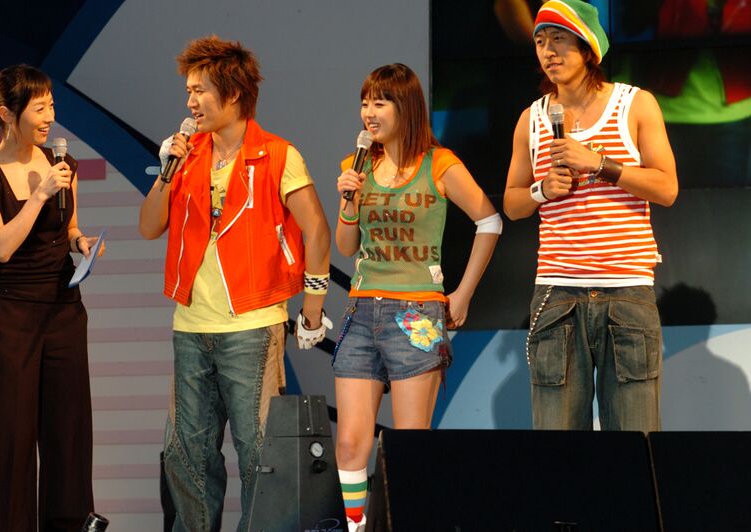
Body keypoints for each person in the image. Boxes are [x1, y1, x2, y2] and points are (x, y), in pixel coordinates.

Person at [138, 35, 331, 531]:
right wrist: (166, 172)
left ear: (234, 93)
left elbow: (315, 228)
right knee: (185, 454)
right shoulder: (186, 156)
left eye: (200, 90)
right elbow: (149, 226)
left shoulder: (277, 154)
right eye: (188, 91)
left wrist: (313, 306)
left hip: (251, 325)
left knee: (258, 455)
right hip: (190, 326)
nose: (190, 102)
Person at [334, 63, 501, 531]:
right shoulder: (356, 165)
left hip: (417, 315)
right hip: (361, 311)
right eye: (364, 103)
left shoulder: (438, 164)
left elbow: (489, 221)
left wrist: (462, 294)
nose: (369, 112)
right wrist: (348, 201)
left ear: (405, 107)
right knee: (349, 443)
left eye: (380, 102)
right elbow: (346, 247)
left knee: (409, 446)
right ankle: (355, 528)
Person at [503, 0, 678, 432]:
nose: (548, 51)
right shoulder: (532, 118)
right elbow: (511, 203)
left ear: (588, 48)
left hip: (627, 291)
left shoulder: (634, 104)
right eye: (540, 42)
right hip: (557, 292)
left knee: (636, 441)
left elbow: (666, 188)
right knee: (559, 446)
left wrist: (599, 163)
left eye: (559, 40)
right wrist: (543, 189)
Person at [0, 64, 102, 531]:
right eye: (39, 109)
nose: (49, 118)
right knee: (9, 436)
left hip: (63, 312)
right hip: (12, 316)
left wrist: (81, 243)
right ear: (7, 113)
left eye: (52, 106)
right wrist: (38, 196)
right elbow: (0, 246)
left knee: (68, 434)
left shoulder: (63, 166)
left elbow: (70, 227)